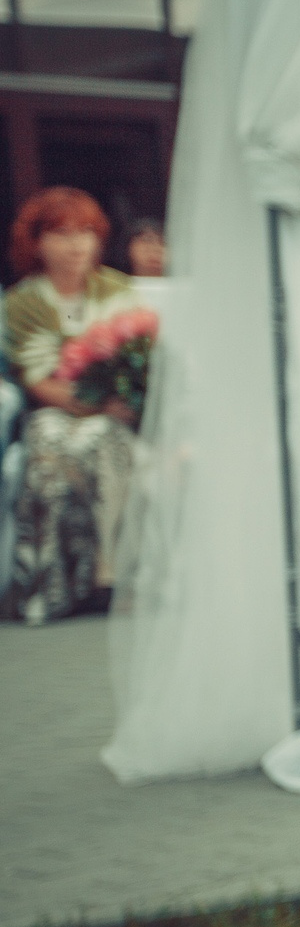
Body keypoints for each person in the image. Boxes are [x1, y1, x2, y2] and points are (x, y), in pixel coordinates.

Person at [4, 188, 142, 623]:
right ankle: (51, 586)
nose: (76, 244)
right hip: (56, 410)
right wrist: (96, 407)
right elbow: (38, 381)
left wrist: (120, 401)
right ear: (36, 242)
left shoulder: (117, 290)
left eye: (86, 232)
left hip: (114, 414)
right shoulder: (24, 302)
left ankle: (105, 575)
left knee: (99, 440)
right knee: (50, 443)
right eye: (61, 233)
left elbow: (136, 361)